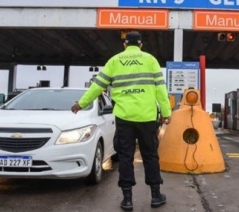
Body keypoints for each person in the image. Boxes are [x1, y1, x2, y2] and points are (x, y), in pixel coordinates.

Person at [71, 31, 172, 211]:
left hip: (124, 118)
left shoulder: (115, 61)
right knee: (150, 156)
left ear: (125, 45)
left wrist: (81, 103)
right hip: (147, 117)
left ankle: (127, 199)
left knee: (125, 157)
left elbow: (97, 86)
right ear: (140, 45)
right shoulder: (150, 60)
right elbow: (161, 90)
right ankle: (156, 196)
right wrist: (166, 112)